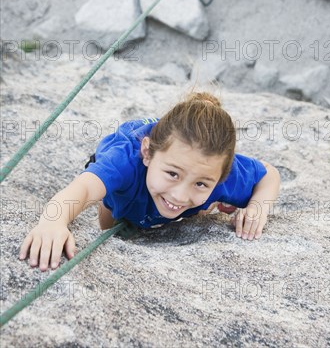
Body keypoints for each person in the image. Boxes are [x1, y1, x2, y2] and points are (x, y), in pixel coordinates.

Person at [19, 92, 280, 271]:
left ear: (222, 177)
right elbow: (83, 188)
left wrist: (259, 206)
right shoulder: (124, 162)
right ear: (147, 153)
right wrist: (53, 221)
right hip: (126, 170)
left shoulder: (218, 171)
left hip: (170, 162)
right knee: (116, 214)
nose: (179, 194)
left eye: (201, 183)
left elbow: (269, 174)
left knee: (198, 206)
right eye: (173, 174)